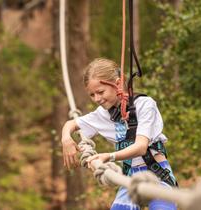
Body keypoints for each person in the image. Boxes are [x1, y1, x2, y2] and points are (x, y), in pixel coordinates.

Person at [61, 58, 177, 210]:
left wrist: (109, 156)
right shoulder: (102, 114)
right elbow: (71, 124)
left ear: (117, 84)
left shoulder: (145, 105)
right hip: (129, 179)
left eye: (100, 92)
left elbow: (141, 147)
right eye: (92, 95)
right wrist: (66, 139)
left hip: (157, 174)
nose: (97, 99)